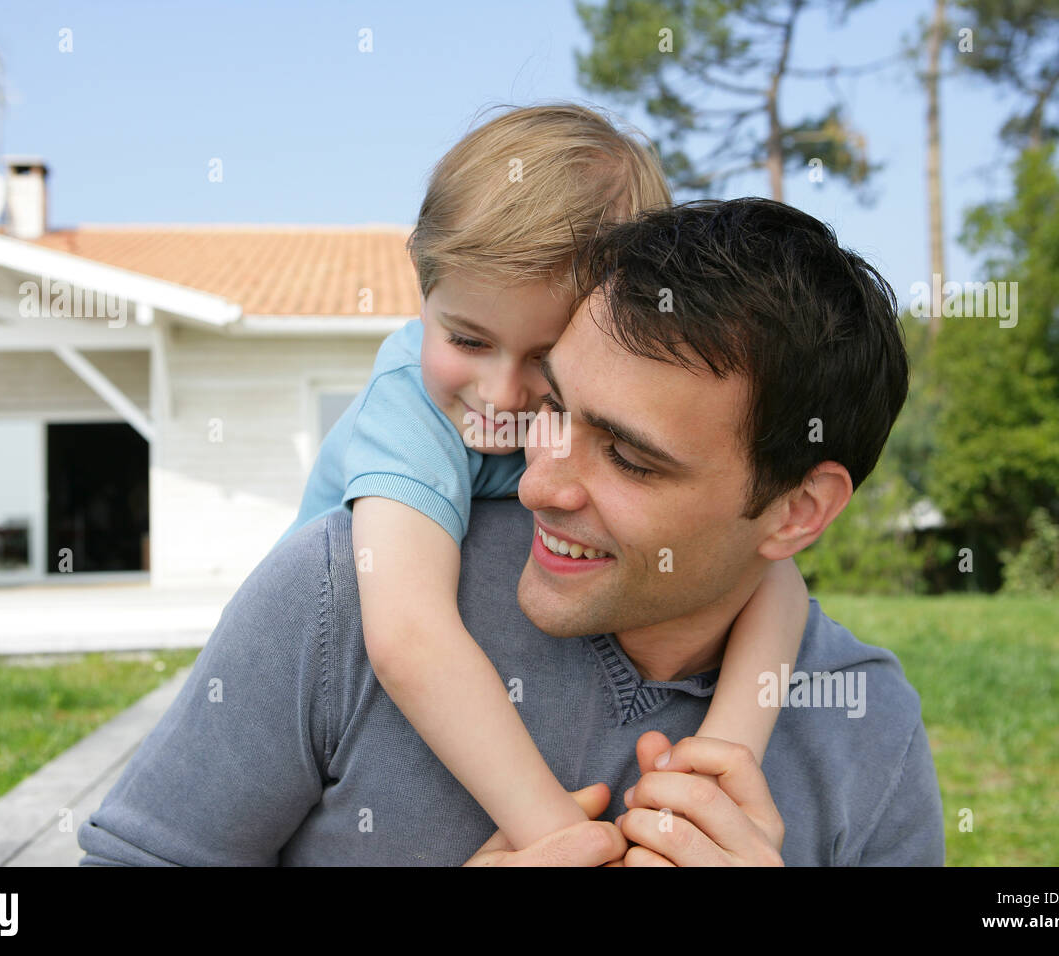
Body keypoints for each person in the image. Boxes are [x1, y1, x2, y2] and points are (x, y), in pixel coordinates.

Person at [78, 197, 943, 866]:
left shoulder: (868, 724)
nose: (539, 481)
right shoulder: (344, 587)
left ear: (798, 511)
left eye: (632, 460)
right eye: (555, 408)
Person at [266, 104, 807, 851]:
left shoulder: (594, 407)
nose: (501, 393)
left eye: (545, 358)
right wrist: (556, 835)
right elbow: (406, 637)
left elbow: (778, 581)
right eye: (466, 338)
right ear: (423, 296)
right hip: (301, 668)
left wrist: (713, 776)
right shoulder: (409, 402)